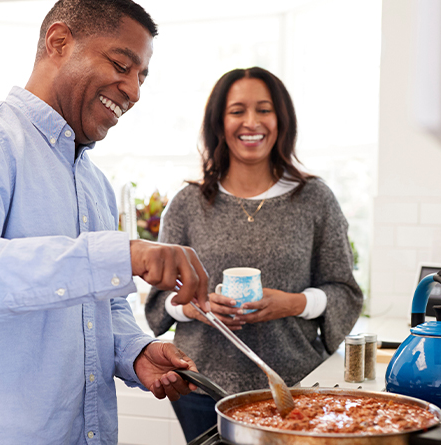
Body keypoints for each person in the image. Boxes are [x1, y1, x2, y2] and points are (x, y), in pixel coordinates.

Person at [0, 1, 212, 443]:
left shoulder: (94, 183)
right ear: (59, 42)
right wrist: (123, 254)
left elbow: (101, 307)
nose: (134, 91)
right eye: (122, 65)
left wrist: (136, 351)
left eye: (141, 77)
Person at [144, 67, 364, 441]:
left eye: (264, 109)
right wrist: (200, 307)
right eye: (237, 111)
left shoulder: (315, 199)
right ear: (219, 122)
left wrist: (293, 303)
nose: (251, 122)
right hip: (202, 388)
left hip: (294, 386)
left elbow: (345, 291)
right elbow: (159, 302)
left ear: (281, 120)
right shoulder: (187, 205)